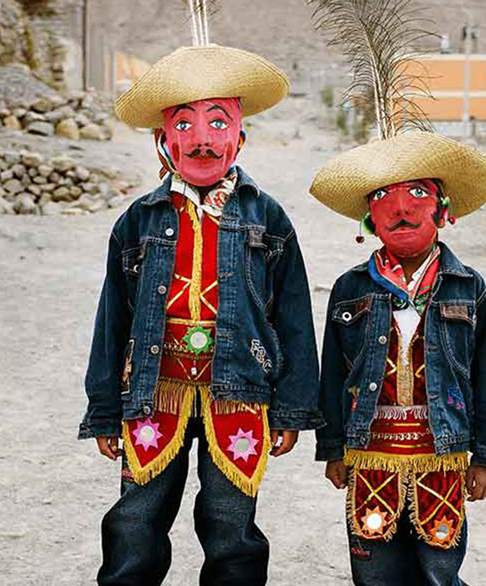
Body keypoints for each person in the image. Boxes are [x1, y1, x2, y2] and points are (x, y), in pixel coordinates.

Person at [78, 41, 322, 586]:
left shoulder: (269, 218)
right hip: (153, 388)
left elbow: (295, 319)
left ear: (241, 136)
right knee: (135, 518)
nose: (203, 139)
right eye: (184, 125)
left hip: (239, 389)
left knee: (231, 523)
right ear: (164, 141)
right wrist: (102, 408)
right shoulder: (137, 221)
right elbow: (112, 318)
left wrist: (292, 408)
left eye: (218, 122)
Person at [310, 131, 486, 585]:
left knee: (438, 569)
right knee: (374, 570)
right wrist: (333, 448)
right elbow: (334, 373)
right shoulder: (350, 289)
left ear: (443, 211)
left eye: (417, 194)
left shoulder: (469, 288)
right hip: (369, 455)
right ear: (368, 219)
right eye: (383, 197)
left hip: (440, 455)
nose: (401, 209)